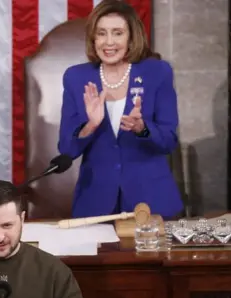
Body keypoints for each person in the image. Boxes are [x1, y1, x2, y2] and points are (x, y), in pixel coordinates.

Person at [58, 1, 183, 220]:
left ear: (131, 37)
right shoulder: (76, 78)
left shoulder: (157, 73)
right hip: (95, 202)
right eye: (101, 33)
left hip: (150, 201)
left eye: (117, 33)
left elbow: (169, 140)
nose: (108, 42)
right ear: (93, 38)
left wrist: (143, 129)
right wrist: (91, 125)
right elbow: (67, 149)